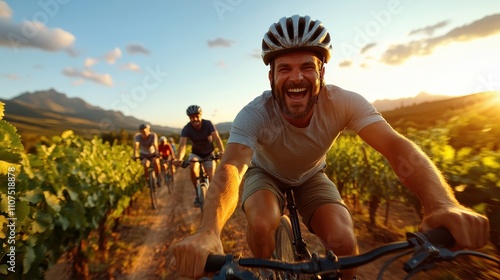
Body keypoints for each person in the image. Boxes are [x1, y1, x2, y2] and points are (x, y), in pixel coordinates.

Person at [173, 15, 490, 279]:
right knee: (261, 221)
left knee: (344, 239)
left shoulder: (344, 103)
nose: (296, 77)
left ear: (321, 73)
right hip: (266, 174)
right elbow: (231, 166)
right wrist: (208, 230)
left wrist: (441, 202)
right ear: (271, 76)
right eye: (285, 69)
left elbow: (396, 146)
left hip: (311, 176)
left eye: (306, 67)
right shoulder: (254, 114)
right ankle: (267, 273)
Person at [176, 105, 225, 207]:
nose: (195, 119)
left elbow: (217, 138)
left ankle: (213, 198)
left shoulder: (208, 124)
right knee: (193, 167)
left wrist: (222, 151)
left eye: (197, 116)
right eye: (192, 117)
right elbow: (182, 146)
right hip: (196, 154)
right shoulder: (187, 128)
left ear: (201, 115)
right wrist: (179, 159)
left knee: (211, 176)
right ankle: (198, 194)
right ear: (189, 118)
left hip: (209, 153)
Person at [133, 123, 162, 187]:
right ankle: (148, 181)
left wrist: (157, 152)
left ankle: (158, 178)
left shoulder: (153, 135)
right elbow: (136, 145)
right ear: (140, 132)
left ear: (149, 130)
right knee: (146, 165)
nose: (144, 133)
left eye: (146, 131)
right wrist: (135, 154)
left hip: (153, 153)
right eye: (142, 132)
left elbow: (155, 144)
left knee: (156, 163)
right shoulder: (137, 136)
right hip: (144, 155)